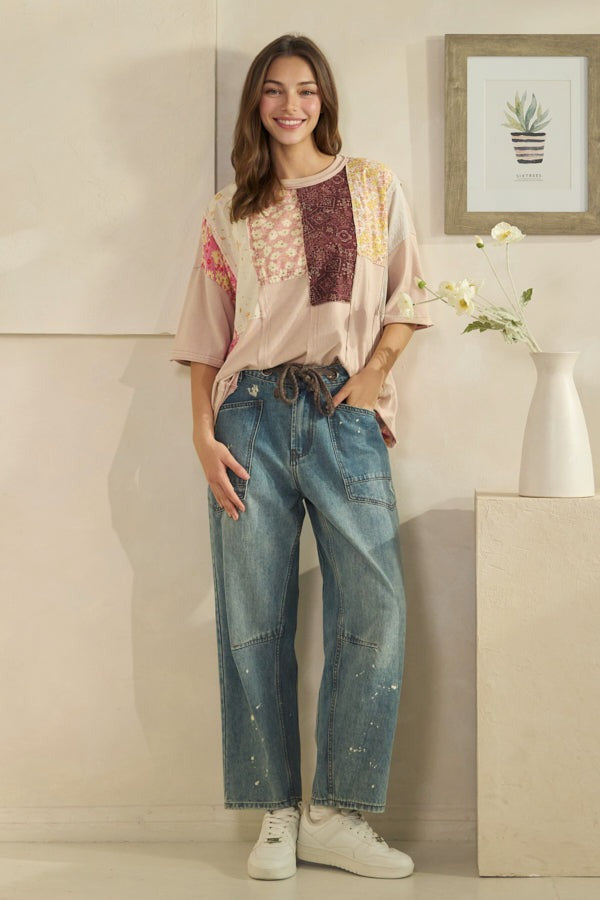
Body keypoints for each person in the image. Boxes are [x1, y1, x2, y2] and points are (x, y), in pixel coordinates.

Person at [171, 33, 432, 881]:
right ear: (256, 103)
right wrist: (202, 436)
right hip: (246, 420)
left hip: (342, 410)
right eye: (275, 91)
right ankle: (277, 811)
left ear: (326, 100)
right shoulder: (229, 210)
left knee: (377, 612)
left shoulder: (373, 185)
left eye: (307, 90)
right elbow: (205, 340)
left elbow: (405, 298)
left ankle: (337, 813)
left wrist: (375, 376)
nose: (291, 105)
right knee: (254, 619)